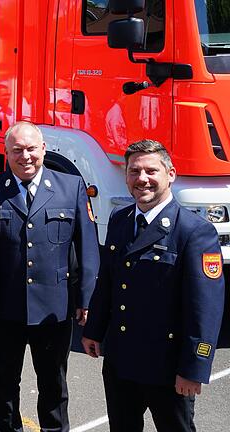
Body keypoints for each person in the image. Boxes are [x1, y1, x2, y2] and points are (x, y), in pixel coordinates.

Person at [82, 140, 225, 432]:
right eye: (134, 171)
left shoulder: (194, 232)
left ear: (170, 174)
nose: (142, 179)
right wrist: (94, 329)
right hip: (121, 361)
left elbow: (205, 309)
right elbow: (108, 281)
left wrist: (193, 369)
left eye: (151, 170)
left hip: (167, 368)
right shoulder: (120, 220)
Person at [0, 121, 100, 432]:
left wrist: (85, 298)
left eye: (32, 148)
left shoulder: (70, 187)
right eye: (17, 150)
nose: (25, 156)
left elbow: (87, 248)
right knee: (3, 387)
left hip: (53, 309)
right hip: (2, 311)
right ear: (6, 153)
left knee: (54, 386)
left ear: (43, 149)